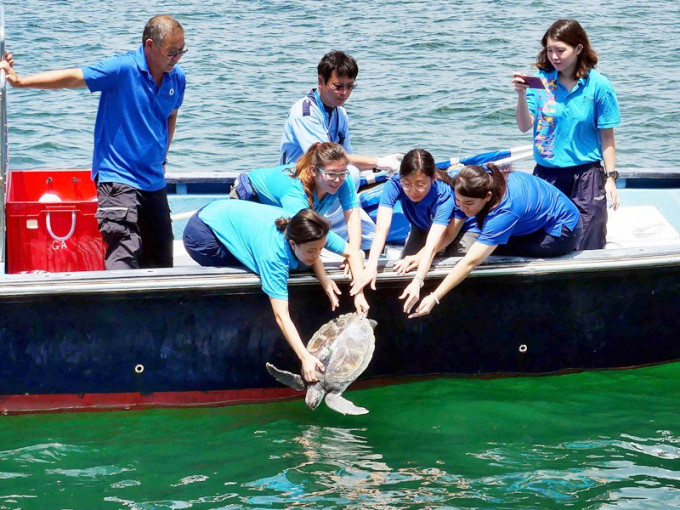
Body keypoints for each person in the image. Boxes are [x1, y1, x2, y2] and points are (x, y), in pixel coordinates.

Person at [0, 15, 187, 269]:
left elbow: (171, 115)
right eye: (171, 52)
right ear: (150, 45)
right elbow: (73, 77)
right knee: (124, 251)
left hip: (154, 180)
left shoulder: (177, 78)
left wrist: (163, 158)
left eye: (181, 51)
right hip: (118, 177)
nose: (176, 58)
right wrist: (21, 82)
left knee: (162, 261)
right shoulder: (121, 69)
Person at [183, 200, 369, 382]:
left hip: (224, 211)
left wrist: (354, 292)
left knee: (301, 263)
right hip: (203, 232)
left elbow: (353, 252)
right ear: (292, 244)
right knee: (265, 267)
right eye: (312, 250)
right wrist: (304, 357)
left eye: (321, 249)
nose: (317, 255)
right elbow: (281, 315)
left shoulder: (310, 226)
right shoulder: (273, 257)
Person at [407, 164, 583, 318]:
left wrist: (435, 296)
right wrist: (421, 255)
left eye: (468, 203)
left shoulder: (505, 210)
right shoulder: (477, 180)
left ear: (488, 196)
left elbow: (470, 262)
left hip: (562, 231)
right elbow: (450, 233)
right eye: (458, 201)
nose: (462, 207)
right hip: (535, 218)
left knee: (481, 251)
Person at [513, 18, 620, 250]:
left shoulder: (598, 85)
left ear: (578, 48)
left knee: (587, 241)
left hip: (587, 175)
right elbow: (524, 126)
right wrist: (521, 95)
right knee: (543, 241)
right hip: (546, 174)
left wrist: (610, 178)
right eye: (549, 50)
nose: (554, 56)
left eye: (560, 50)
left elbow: (607, 136)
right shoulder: (539, 82)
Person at [352, 149, 478, 313]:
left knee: (453, 265)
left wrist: (419, 276)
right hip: (422, 226)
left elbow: (442, 239)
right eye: (407, 183)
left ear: (432, 179)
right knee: (404, 267)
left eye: (420, 184)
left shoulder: (444, 195)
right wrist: (371, 266)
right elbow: (382, 229)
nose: (413, 190)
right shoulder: (394, 184)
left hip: (460, 230)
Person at [280, 50, 402, 173]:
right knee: (352, 173)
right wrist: (379, 162)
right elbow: (326, 159)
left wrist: (379, 166)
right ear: (321, 81)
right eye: (338, 87)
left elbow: (347, 156)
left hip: (326, 174)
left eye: (350, 87)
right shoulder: (304, 113)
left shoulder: (340, 113)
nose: (344, 93)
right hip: (297, 176)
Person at [232, 142, 368, 250]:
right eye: (331, 174)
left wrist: (354, 252)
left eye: (342, 173)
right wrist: (348, 252)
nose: (338, 180)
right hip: (249, 200)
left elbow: (352, 218)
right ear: (314, 170)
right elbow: (310, 229)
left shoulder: (344, 179)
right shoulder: (295, 190)